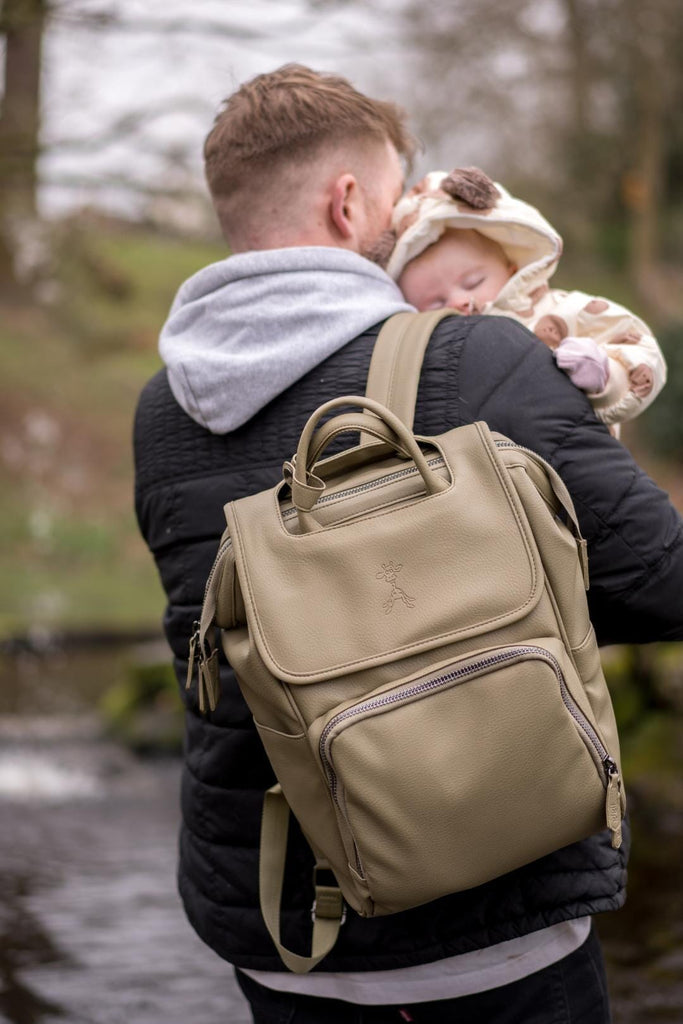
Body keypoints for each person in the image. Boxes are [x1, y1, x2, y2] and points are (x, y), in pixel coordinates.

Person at [133, 64, 683, 1023]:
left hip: (281, 929)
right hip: (489, 921)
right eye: (398, 200)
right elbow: (656, 582)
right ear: (349, 203)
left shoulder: (163, 411)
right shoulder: (474, 354)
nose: (406, 223)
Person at [387, 166, 666, 433]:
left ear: (513, 270)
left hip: (577, 461)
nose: (459, 301)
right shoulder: (425, 357)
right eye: (435, 302)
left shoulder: (559, 310)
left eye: (474, 282)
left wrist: (606, 375)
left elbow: (641, 348)